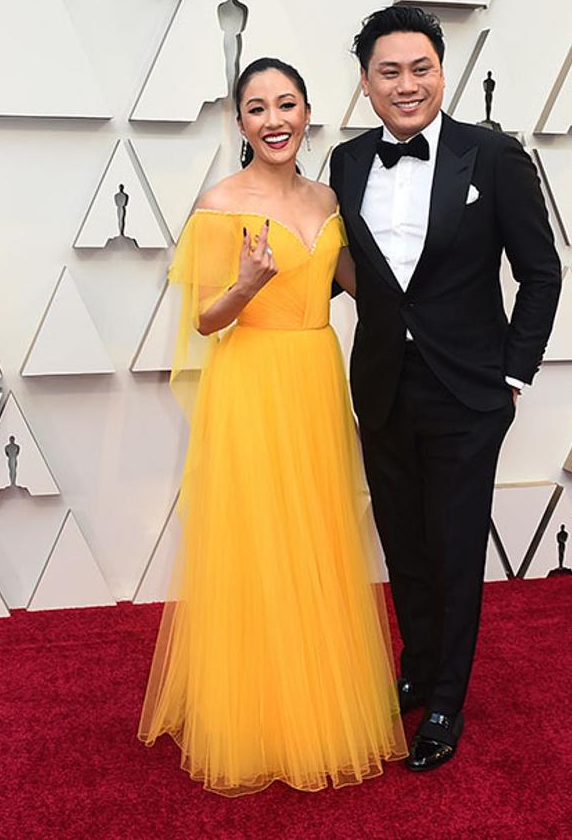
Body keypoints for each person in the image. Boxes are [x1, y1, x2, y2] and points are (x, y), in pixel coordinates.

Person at [139, 58, 407, 795]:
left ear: (308, 112)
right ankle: (258, 713)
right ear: (239, 123)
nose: (273, 119)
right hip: (253, 382)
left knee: (316, 532)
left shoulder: (328, 197)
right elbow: (201, 318)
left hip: (316, 376)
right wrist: (245, 285)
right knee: (260, 540)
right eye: (256, 108)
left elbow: (358, 283)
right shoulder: (221, 204)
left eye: (285, 104)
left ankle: (319, 695)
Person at [328, 5, 562, 771]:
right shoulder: (347, 162)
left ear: (442, 71)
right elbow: (359, 275)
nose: (407, 84)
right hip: (382, 386)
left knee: (455, 550)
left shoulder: (492, 157)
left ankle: (446, 703)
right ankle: (417, 665)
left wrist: (512, 376)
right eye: (388, 72)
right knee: (403, 541)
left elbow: (539, 273)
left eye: (419, 68)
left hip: (468, 394)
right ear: (365, 84)